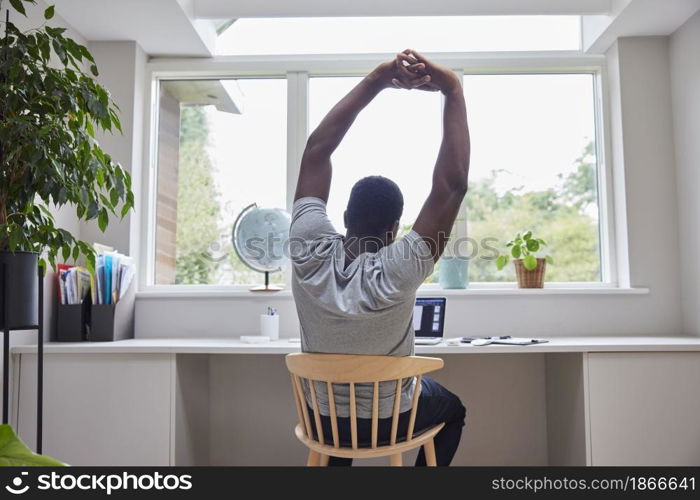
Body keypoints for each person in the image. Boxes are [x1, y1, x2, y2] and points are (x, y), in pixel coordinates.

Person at [289, 49, 470, 466]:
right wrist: (452, 90)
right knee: (452, 409)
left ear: (345, 216)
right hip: (393, 422)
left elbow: (317, 151)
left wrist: (377, 80)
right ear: (395, 230)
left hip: (323, 422)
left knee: (342, 416)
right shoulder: (400, 268)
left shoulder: (308, 248)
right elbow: (451, 187)